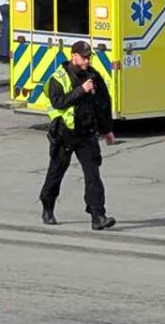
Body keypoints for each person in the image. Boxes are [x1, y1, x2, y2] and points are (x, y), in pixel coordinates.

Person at [39, 41, 117, 231]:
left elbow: (103, 104)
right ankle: (47, 207)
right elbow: (59, 102)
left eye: (89, 57)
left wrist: (107, 130)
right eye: (83, 57)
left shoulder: (94, 77)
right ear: (73, 55)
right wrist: (81, 90)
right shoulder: (59, 77)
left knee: (93, 175)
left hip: (87, 134)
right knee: (56, 173)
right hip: (64, 134)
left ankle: (98, 215)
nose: (86, 60)